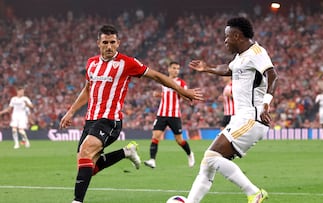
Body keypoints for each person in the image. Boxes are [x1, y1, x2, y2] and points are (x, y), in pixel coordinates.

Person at [59, 25, 203, 203]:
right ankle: (126, 153)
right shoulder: (91, 63)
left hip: (110, 120)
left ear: (118, 43)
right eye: (105, 42)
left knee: (86, 151)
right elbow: (88, 89)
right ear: (98, 43)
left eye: (113, 42)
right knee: (88, 166)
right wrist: (71, 111)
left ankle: (77, 201)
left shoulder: (126, 63)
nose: (109, 46)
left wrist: (183, 91)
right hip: (91, 120)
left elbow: (157, 76)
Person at [186, 16, 278, 203]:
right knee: (208, 164)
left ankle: (254, 192)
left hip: (252, 118)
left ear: (236, 35)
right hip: (240, 119)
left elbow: (272, 74)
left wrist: (266, 103)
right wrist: (208, 68)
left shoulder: (256, 52)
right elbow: (228, 69)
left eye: (227, 37)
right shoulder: (240, 58)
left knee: (211, 156)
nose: (225, 41)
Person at [144, 61, 195, 169]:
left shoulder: (181, 83)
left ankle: (190, 154)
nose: (176, 70)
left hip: (174, 115)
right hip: (161, 114)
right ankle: (152, 160)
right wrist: (159, 94)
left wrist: (183, 94)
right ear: (169, 69)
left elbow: (186, 97)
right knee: (155, 136)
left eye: (178, 68)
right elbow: (166, 94)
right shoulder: (163, 80)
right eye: (174, 68)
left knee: (179, 140)